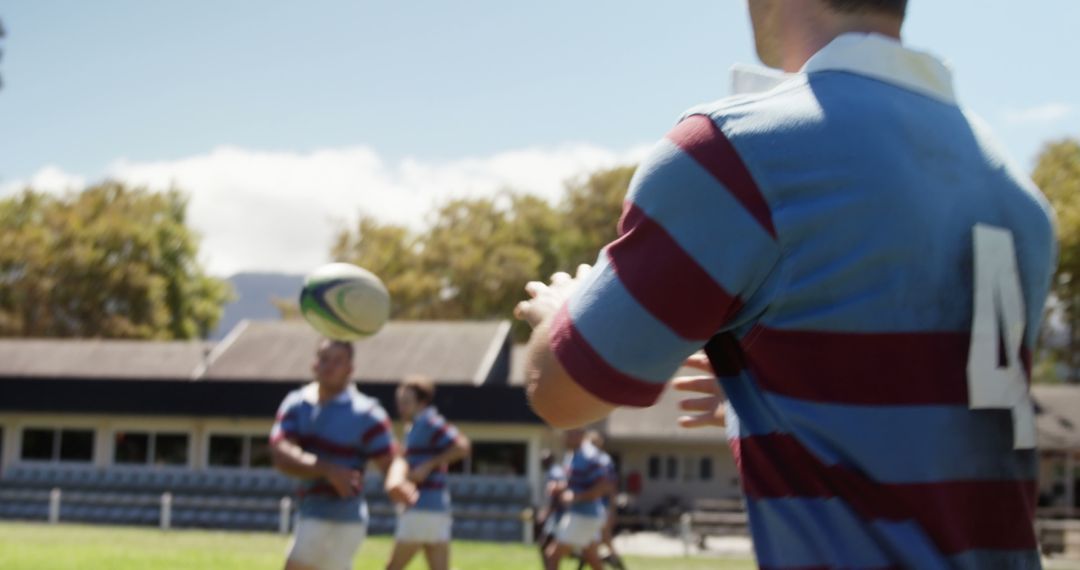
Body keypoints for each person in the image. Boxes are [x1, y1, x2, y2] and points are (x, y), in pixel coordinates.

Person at [515, 0, 1057, 567]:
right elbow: (935, 417)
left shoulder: (734, 150)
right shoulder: (1021, 199)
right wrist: (767, 395)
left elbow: (564, 393)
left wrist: (560, 312)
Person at [270, 339, 417, 570]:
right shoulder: (297, 403)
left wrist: (396, 480)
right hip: (309, 508)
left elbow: (393, 459)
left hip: (341, 515)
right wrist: (327, 469)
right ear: (314, 364)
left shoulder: (366, 412)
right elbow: (280, 451)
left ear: (350, 369)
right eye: (324, 359)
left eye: (337, 361)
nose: (329, 366)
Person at [386, 375, 471, 570]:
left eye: (406, 402)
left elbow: (462, 446)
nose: (401, 408)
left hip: (421, 508)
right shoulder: (415, 426)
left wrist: (428, 465)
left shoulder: (430, 422)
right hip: (436, 508)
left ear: (422, 402)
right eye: (399, 402)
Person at [545, 429, 612, 570]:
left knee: (552, 555)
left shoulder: (590, 456)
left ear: (579, 434)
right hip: (583, 515)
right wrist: (560, 487)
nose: (564, 437)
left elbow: (603, 486)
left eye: (568, 434)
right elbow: (575, 483)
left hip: (584, 516)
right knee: (592, 558)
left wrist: (575, 497)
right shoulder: (573, 454)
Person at [584, 431, 625, 570]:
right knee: (595, 542)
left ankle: (616, 564)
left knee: (599, 541)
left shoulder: (603, 460)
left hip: (601, 507)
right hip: (594, 506)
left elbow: (611, 487)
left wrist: (612, 510)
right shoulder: (589, 459)